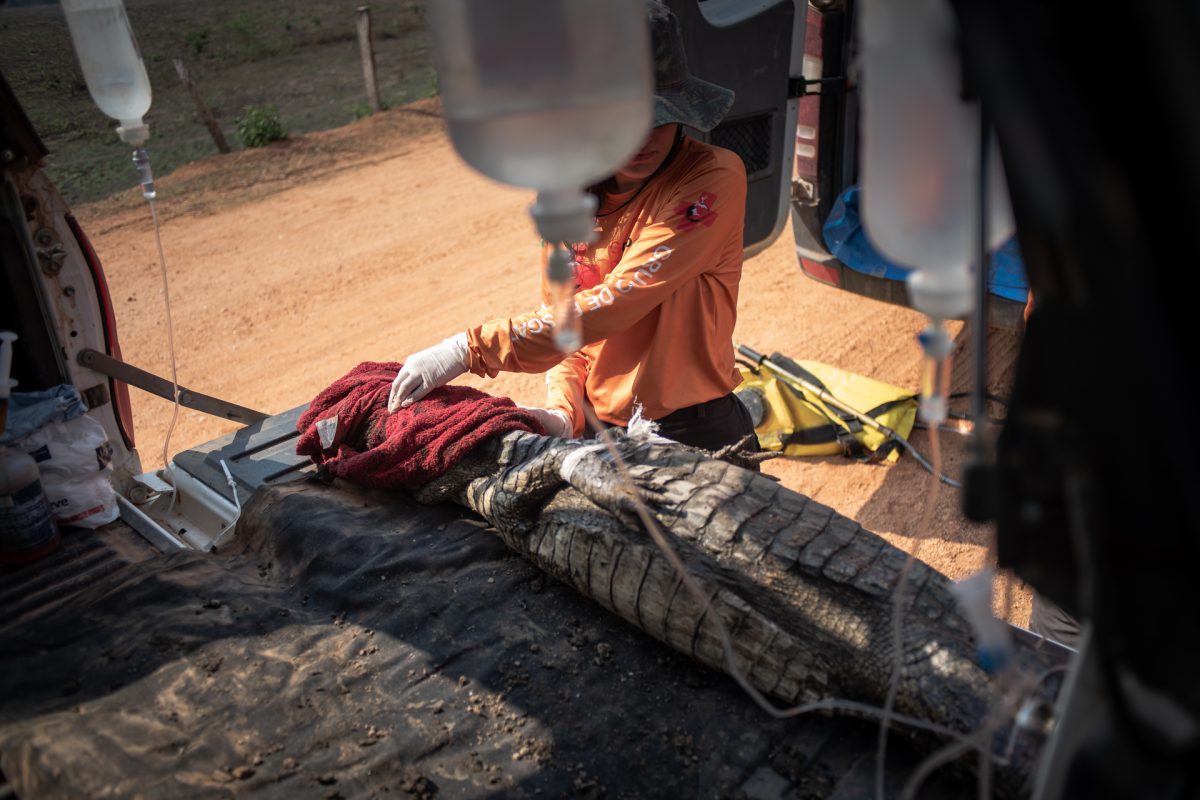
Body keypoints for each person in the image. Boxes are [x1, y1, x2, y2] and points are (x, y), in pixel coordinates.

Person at [388, 1, 756, 452]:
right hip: (601, 431)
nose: (641, 138)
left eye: (657, 118)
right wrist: (564, 412)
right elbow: (568, 325)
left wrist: (470, 348)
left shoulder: (711, 177)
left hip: (694, 430)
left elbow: (615, 302)